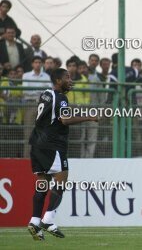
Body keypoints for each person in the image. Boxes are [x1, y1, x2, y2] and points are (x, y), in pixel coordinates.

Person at [27, 68, 98, 240]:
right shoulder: (61, 97)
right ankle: (48, 219)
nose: (70, 80)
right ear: (58, 81)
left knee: (42, 184)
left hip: (36, 144)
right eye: (67, 77)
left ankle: (35, 221)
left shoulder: (45, 93)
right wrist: (88, 116)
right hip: (52, 145)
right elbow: (65, 120)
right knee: (62, 179)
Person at [22, 56, 51, 158]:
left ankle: (41, 156)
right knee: (28, 133)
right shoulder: (26, 75)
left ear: (42, 64)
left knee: (43, 132)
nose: (37, 64)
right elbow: (25, 91)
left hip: (43, 106)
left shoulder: (46, 76)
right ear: (32, 64)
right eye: (36, 62)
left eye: (39, 62)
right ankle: (27, 157)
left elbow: (48, 92)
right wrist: (40, 92)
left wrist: (35, 92)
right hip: (30, 104)